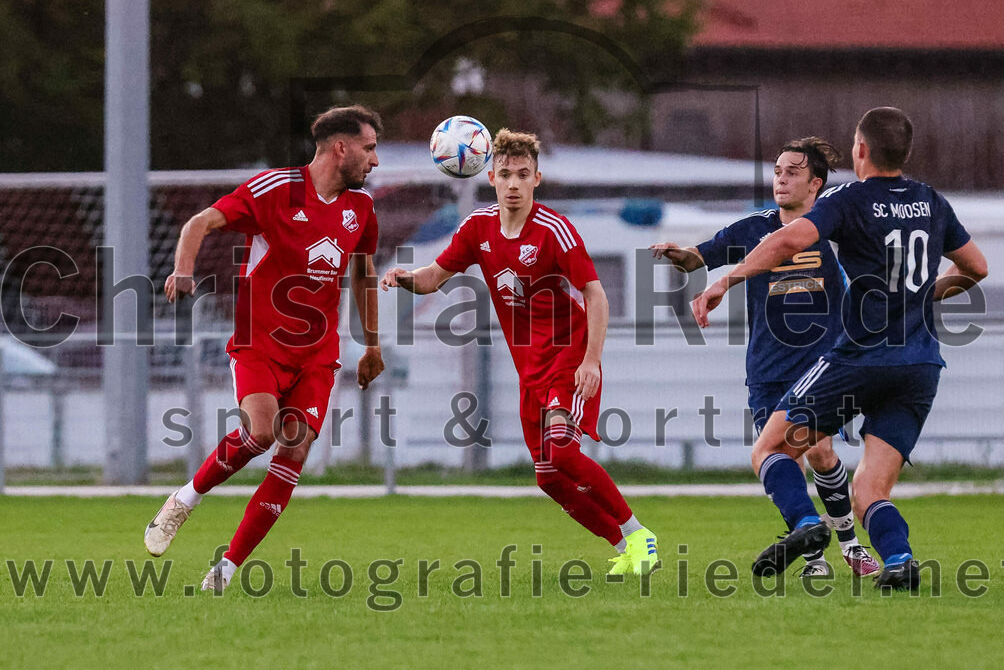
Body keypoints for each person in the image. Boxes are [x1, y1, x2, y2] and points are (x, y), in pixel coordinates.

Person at [692, 107, 988, 590]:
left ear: (862, 150)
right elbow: (976, 267)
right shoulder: (931, 201)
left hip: (858, 358)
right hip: (920, 364)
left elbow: (789, 239)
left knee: (770, 447)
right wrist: (924, 294)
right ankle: (899, 562)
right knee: (870, 490)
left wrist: (728, 279)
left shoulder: (849, 199)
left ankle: (808, 526)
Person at [380, 129, 659, 575]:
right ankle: (624, 544)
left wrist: (590, 361)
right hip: (531, 368)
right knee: (548, 478)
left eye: (522, 174)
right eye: (505, 174)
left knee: (565, 454)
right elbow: (434, 277)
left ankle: (640, 535)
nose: (513, 183)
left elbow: (596, 295)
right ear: (490, 176)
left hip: (569, 355)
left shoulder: (555, 230)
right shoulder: (477, 228)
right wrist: (404, 276)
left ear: (537, 179)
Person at [144, 105, 387, 592]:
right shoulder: (275, 189)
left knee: (295, 448)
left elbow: (363, 274)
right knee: (260, 432)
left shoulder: (360, 210)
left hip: (318, 355)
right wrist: (184, 270)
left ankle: (225, 570)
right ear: (340, 148)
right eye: (370, 148)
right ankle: (184, 501)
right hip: (260, 347)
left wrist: (373, 344)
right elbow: (199, 223)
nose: (375, 161)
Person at [650, 137, 880, 578]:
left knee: (819, 449)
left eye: (792, 172)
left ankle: (850, 546)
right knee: (782, 459)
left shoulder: (833, 229)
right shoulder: (752, 228)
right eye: (777, 171)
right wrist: (682, 256)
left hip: (822, 363)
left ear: (815, 184)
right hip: (766, 367)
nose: (781, 179)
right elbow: (703, 256)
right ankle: (814, 555)